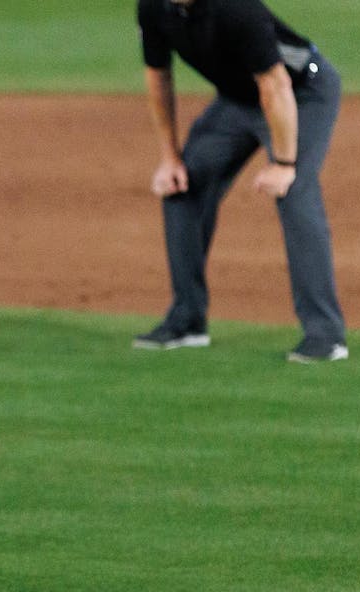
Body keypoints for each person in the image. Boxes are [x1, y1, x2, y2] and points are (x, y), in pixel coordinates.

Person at [133, 0, 349, 363]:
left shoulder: (235, 8)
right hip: (238, 102)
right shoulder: (154, 7)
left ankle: (325, 335)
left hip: (302, 93)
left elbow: (275, 83)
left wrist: (284, 163)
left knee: (295, 190)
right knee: (182, 183)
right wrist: (170, 158)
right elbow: (158, 75)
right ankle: (187, 320)